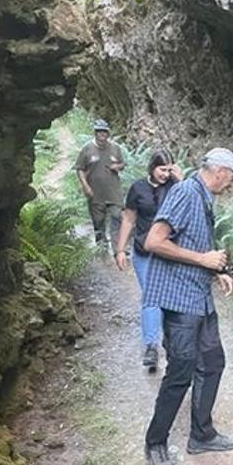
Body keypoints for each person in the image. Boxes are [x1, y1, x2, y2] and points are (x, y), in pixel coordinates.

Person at [141, 147, 233, 465]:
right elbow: (153, 241)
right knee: (181, 371)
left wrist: (216, 270)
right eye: (231, 178)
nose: (230, 184)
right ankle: (156, 442)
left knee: (213, 361)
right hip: (180, 299)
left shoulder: (202, 196)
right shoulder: (186, 192)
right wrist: (204, 261)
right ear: (220, 172)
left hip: (199, 296)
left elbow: (194, 242)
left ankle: (202, 434)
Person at [115, 149, 183, 372]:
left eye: (168, 169)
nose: (165, 174)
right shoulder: (138, 188)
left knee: (170, 298)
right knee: (152, 296)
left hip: (169, 250)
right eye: (162, 169)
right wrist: (120, 249)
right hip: (144, 252)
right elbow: (129, 218)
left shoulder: (175, 187)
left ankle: (171, 342)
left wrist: (180, 180)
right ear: (152, 168)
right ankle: (151, 347)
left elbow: (191, 206)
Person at [74, 119, 125, 252]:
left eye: (104, 132)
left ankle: (118, 248)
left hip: (114, 192)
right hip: (95, 193)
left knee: (117, 217)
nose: (102, 134)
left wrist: (118, 166)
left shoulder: (115, 148)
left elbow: (122, 164)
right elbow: (79, 168)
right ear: (95, 133)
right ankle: (102, 249)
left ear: (108, 133)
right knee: (98, 222)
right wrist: (85, 186)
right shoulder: (87, 149)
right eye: (99, 132)